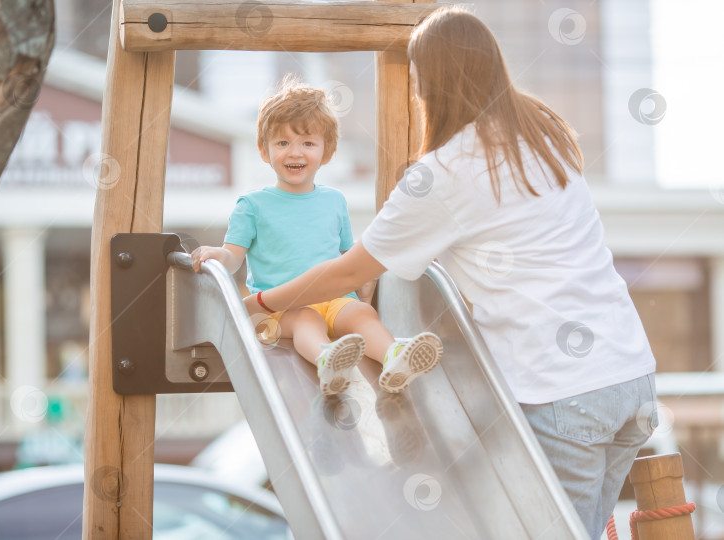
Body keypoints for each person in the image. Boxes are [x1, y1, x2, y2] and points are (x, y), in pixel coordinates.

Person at [243, 8, 657, 539]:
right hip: (630, 376)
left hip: (563, 392)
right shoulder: (542, 129)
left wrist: (261, 302)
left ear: (428, 82)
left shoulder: (443, 173)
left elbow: (347, 270)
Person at [192, 77, 442, 397]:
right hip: (276, 311)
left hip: (333, 301)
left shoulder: (334, 201)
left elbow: (345, 256)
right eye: (282, 143)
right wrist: (218, 255)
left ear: (327, 151)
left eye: (308, 143)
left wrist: (367, 280)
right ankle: (327, 360)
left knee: (362, 314)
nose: (295, 152)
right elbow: (233, 256)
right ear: (263, 150)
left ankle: (395, 357)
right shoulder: (252, 206)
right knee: (307, 318)